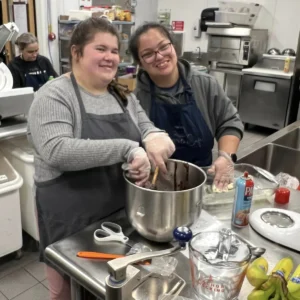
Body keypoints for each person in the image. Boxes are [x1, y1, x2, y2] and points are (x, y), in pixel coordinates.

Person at [27, 18, 174, 300]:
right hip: (70, 225)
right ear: (76, 52)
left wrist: (156, 138)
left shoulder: (121, 95)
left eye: (114, 51)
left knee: (109, 289)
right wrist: (127, 149)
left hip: (115, 221)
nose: (110, 57)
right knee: (66, 293)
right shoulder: (54, 95)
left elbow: (146, 127)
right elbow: (56, 150)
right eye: (101, 49)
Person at [129, 23, 244, 191]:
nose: (159, 56)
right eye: (148, 54)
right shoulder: (135, 99)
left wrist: (226, 157)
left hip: (202, 180)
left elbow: (229, 123)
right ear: (140, 62)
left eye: (163, 47)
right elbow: (131, 147)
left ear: (173, 46)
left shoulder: (205, 84)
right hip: (157, 186)